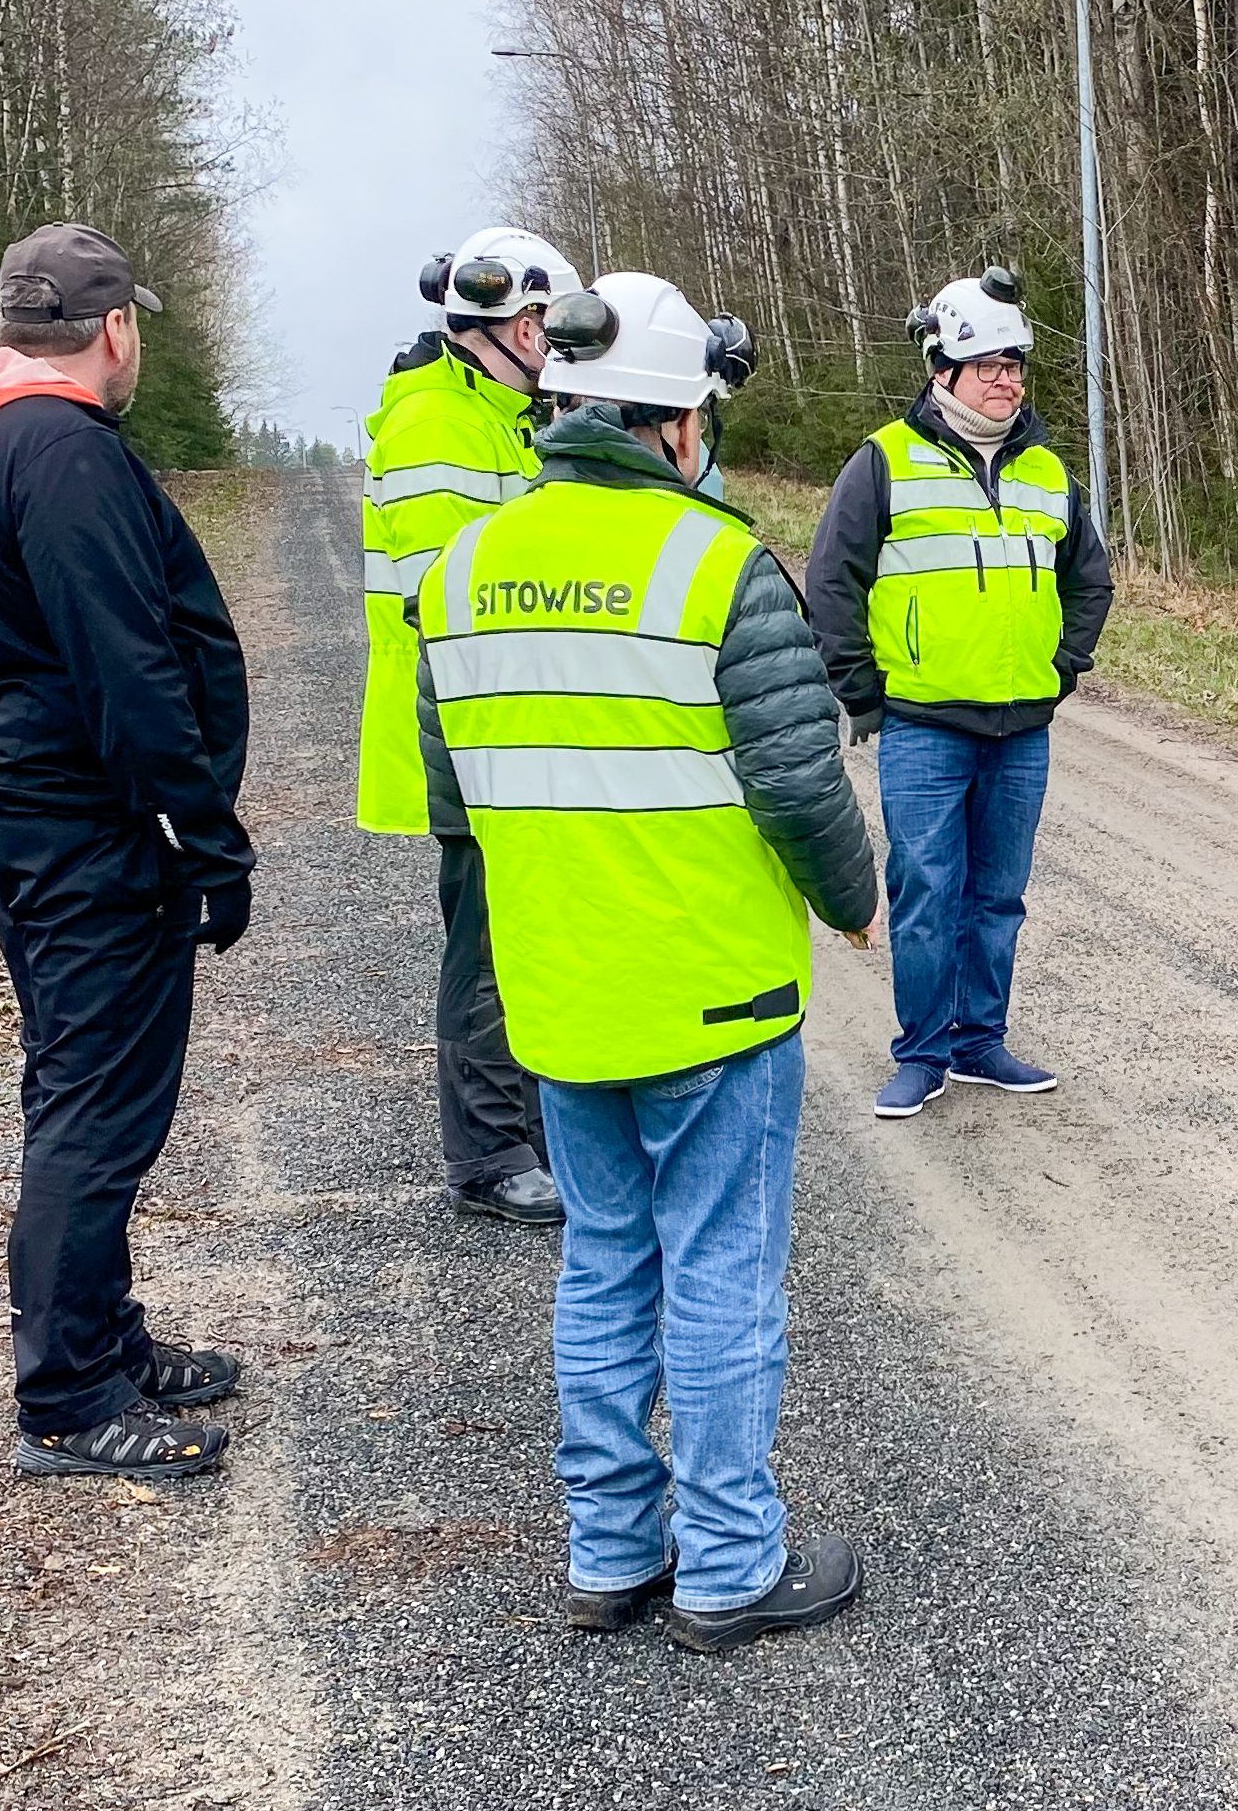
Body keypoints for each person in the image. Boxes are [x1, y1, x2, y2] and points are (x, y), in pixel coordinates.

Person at [419, 272, 879, 1650]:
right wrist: (857, 904)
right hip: (712, 993)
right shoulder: (713, 561)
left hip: (561, 992)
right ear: (680, 424)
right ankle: (732, 1560)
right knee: (722, 1272)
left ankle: (611, 1546)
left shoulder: (464, 568)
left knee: (604, 1267)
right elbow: (801, 783)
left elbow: (460, 797)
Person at [0, 224, 252, 1480]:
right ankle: (65, 1397)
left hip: (30, 811)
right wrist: (202, 837)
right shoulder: (61, 448)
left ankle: (106, 1340)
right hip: (85, 827)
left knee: (77, 1089)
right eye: (138, 327)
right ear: (112, 328)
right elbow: (128, 663)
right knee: (95, 1110)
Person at [804, 267, 1114, 1121]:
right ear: (941, 371)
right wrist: (860, 690)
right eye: (988, 366)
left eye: (1015, 365)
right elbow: (831, 580)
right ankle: (923, 1051)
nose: (1007, 380)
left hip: (1021, 728)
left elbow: (1090, 581)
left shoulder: (1049, 471)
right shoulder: (884, 461)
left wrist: (1062, 667)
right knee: (926, 892)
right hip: (923, 726)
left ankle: (980, 1042)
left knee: (998, 894)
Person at [357, 226, 577, 1225]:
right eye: (550, 327)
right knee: (486, 948)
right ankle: (487, 1154)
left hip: (509, 725)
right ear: (519, 322)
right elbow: (449, 591)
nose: (558, 348)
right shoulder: (438, 423)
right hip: (466, 726)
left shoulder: (505, 416)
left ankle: (524, 1126)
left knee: (524, 933)